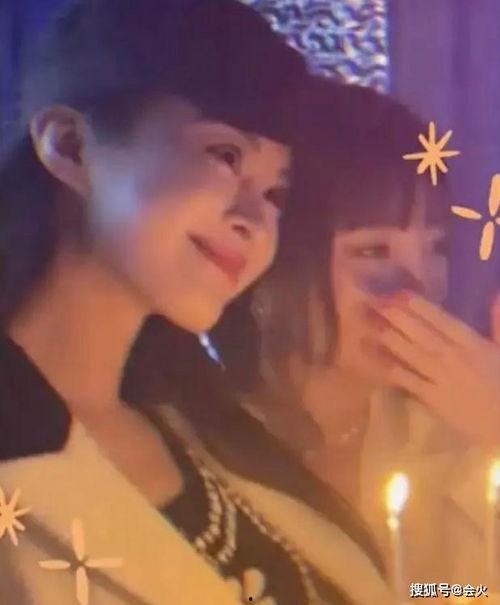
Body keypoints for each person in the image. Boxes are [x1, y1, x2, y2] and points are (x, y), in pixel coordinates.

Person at [0, 2, 392, 604]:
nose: (255, 220)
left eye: (275, 193)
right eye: (225, 156)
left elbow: (429, 588)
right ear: (71, 147)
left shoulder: (211, 430)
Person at [250, 76, 500, 586]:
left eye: (434, 248)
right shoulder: (197, 449)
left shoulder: (461, 434)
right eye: (372, 251)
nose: (419, 287)